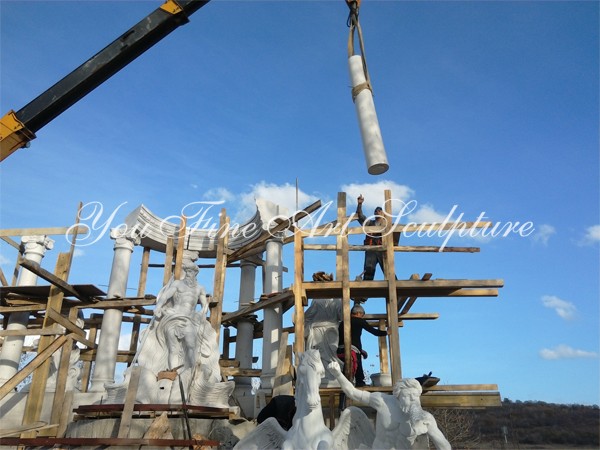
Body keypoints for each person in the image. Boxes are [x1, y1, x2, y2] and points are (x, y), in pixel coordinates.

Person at [328, 361, 452, 449]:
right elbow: (352, 393)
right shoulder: (383, 401)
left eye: (415, 397)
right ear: (398, 396)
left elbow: (444, 445)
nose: (413, 400)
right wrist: (338, 374)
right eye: (408, 397)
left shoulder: (426, 419)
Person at [337, 304, 388, 387]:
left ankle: (344, 383)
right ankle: (360, 383)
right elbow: (374, 332)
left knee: (344, 367)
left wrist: (361, 350)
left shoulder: (343, 322)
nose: (362, 317)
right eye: (362, 315)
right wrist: (386, 332)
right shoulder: (359, 321)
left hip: (340, 349)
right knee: (358, 365)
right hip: (352, 350)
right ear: (358, 313)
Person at [355, 194, 386, 281]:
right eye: (376, 211)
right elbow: (360, 216)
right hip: (371, 249)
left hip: (382, 249)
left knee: (388, 269)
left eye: (380, 210)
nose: (377, 212)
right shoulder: (369, 223)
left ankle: (398, 290)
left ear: (383, 214)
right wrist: (360, 204)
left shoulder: (387, 225)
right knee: (369, 270)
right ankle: (365, 291)